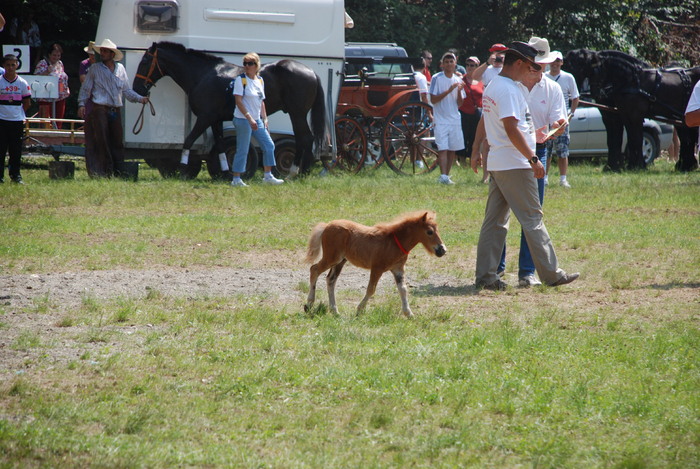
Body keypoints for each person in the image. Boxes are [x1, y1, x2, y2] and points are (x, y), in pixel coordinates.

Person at [470, 41, 579, 290]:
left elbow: (494, 122)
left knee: (495, 221)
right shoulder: (508, 89)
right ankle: (551, 274)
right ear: (519, 63)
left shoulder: (497, 84)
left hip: (500, 161)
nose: (534, 69)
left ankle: (486, 277)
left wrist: (477, 149)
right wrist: (532, 159)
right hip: (515, 163)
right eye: (531, 65)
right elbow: (510, 128)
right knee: (532, 218)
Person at [497, 37, 568, 287]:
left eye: (541, 65)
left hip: (537, 149)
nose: (539, 69)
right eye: (535, 64)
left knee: (530, 213)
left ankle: (527, 273)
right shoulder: (508, 84)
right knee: (508, 215)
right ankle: (498, 270)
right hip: (513, 152)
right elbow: (502, 122)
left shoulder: (551, 88)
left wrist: (557, 128)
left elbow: (558, 121)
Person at [77, 39, 149, 178]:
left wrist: (141, 99)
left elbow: (126, 91)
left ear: (112, 54)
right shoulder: (95, 69)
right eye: (102, 51)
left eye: (105, 51)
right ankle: (104, 172)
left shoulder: (120, 69)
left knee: (117, 141)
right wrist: (81, 104)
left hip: (115, 109)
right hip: (100, 109)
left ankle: (117, 171)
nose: (102, 53)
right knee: (102, 141)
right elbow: (86, 89)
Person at [230, 52, 284, 187]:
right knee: (242, 149)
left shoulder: (259, 80)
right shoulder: (240, 80)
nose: (247, 66)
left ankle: (268, 176)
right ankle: (236, 179)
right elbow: (238, 102)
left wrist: (265, 119)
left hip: (257, 120)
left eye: (250, 63)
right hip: (243, 119)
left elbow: (261, 102)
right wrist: (249, 118)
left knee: (269, 145)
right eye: (245, 63)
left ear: (257, 65)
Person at [429, 51, 465, 185]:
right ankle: (443, 175)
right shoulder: (436, 78)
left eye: (451, 61)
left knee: (452, 148)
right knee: (442, 147)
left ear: (455, 63)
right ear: (442, 64)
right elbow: (433, 99)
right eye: (447, 62)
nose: (449, 64)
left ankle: (447, 176)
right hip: (441, 118)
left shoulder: (458, 80)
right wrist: (449, 90)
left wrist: (460, 91)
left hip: (454, 119)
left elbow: (460, 103)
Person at [544, 51, 579, 188]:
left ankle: (563, 179)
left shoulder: (568, 77)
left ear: (562, 63)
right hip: (545, 119)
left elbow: (575, 97)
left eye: (558, 61)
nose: (555, 64)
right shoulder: (543, 77)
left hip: (561, 120)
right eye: (553, 61)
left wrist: (571, 114)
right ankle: (544, 178)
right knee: (545, 150)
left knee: (562, 150)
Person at [0, 54, 32, 184]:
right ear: (3, 66)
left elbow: (27, 103)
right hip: (1, 120)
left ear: (17, 65)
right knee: (0, 149)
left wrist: (18, 114)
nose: (10, 67)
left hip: (16, 121)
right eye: (8, 65)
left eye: (13, 64)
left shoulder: (22, 83)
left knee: (16, 150)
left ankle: (15, 176)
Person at [34, 42, 70, 129]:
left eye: (58, 55)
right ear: (49, 54)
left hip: (60, 97)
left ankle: (57, 139)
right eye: (54, 55)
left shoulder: (60, 64)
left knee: (58, 121)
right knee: (46, 122)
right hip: (46, 98)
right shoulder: (43, 63)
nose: (56, 57)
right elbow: (35, 79)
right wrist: (47, 72)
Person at [457, 56, 484, 167]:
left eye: (472, 65)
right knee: (463, 136)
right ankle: (461, 159)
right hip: (463, 111)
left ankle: (474, 159)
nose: (469, 67)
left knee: (475, 137)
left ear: (477, 67)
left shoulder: (480, 81)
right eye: (467, 65)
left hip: (476, 113)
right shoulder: (461, 80)